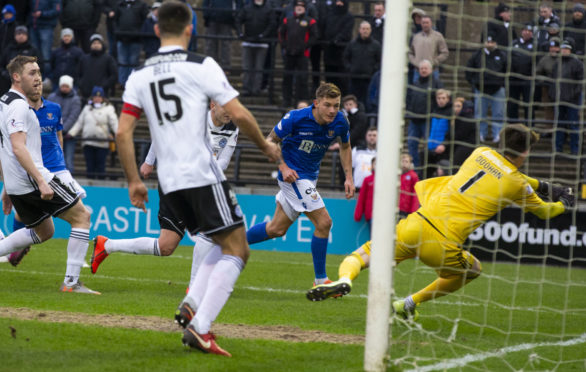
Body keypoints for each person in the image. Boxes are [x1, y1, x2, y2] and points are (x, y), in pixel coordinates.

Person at [113, 1, 279, 356]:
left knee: (217, 241)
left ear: (156, 30)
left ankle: (191, 301)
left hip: (169, 182)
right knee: (238, 249)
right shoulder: (201, 65)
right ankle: (200, 328)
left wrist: (133, 180)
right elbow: (237, 112)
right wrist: (265, 145)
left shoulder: (139, 75)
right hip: (201, 172)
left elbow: (123, 132)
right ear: (190, 29)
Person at [306, 124, 575, 318]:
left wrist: (543, 184)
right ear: (525, 153)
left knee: (363, 254)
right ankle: (410, 303)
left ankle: (344, 279)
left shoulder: (480, 153)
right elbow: (543, 211)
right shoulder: (516, 183)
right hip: (444, 243)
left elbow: (506, 171)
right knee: (473, 269)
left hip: (415, 224)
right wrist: (562, 203)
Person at [90, 101, 239, 293]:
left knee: (165, 246)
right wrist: (149, 162)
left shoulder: (233, 126)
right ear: (212, 105)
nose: (230, 111)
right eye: (225, 106)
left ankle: (107, 245)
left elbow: (224, 161)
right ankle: (195, 288)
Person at [0, 55, 97, 294]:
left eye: (39, 73)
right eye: (31, 73)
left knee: (45, 231)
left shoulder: (3, 102)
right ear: (16, 77)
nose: (38, 78)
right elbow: (17, 147)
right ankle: (71, 283)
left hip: (17, 184)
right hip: (33, 180)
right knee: (82, 216)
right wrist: (42, 181)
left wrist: (6, 186)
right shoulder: (19, 105)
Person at [246, 82, 355, 288]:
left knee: (276, 229)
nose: (333, 110)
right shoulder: (295, 118)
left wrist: (348, 177)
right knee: (324, 223)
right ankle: (320, 279)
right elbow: (270, 140)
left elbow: (345, 146)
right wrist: (283, 167)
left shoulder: (340, 121)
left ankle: (231, 245)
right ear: (316, 103)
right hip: (292, 175)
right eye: (328, 105)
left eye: (336, 105)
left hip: (309, 177)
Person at [68, 86, 118, 179]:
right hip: (88, 142)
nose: (97, 98)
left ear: (103, 98)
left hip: (102, 143)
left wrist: (118, 134)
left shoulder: (109, 108)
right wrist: (71, 133)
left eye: (99, 97)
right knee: (89, 167)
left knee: (101, 166)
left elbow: (114, 123)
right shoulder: (87, 108)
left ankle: (101, 187)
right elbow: (80, 122)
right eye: (95, 96)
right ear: (92, 97)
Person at [466, 34, 507, 143]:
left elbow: (508, 70)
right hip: (481, 89)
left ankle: (497, 134)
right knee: (480, 113)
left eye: (492, 42)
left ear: (496, 43)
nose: (489, 44)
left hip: (498, 89)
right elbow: (469, 69)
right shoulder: (477, 55)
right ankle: (480, 134)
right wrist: (473, 82)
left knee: (498, 113)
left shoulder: (502, 55)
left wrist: (502, 83)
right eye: (487, 42)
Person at [405, 59, 443, 171]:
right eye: (421, 68)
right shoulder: (414, 84)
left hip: (428, 120)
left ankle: (429, 168)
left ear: (431, 70)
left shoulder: (437, 83)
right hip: (414, 120)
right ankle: (416, 167)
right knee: (411, 144)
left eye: (426, 68)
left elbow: (440, 100)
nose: (423, 70)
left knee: (429, 146)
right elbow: (409, 99)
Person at [278, 0, 317, 107]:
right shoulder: (287, 20)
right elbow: (281, 34)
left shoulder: (310, 21)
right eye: (297, 6)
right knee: (287, 78)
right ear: (294, 8)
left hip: (303, 54)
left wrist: (305, 46)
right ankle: (287, 100)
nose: (299, 8)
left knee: (303, 79)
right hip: (289, 53)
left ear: (305, 8)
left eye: (302, 6)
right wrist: (285, 46)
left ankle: (302, 101)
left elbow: (314, 36)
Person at [549, 40, 583, 156]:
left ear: (570, 50)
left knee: (573, 125)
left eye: (567, 49)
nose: (564, 51)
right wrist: (553, 95)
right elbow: (553, 81)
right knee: (559, 125)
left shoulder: (577, 63)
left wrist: (573, 95)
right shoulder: (557, 64)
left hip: (572, 100)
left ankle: (575, 149)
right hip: (559, 100)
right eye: (563, 49)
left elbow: (581, 82)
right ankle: (558, 149)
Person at [235, 0, 276, 96]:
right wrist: (240, 33)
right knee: (247, 67)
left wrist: (263, 35)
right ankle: (246, 89)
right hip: (248, 42)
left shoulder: (268, 10)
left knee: (259, 68)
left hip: (262, 44)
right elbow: (238, 20)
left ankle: (256, 90)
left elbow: (272, 24)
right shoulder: (247, 8)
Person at [47, 75, 82, 173]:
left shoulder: (75, 99)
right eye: (63, 86)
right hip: (53, 133)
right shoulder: (52, 97)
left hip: (68, 134)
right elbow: (48, 112)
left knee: (68, 159)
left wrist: (62, 129)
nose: (64, 88)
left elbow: (74, 116)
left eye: (67, 86)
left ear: (70, 87)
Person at [343, 20, 381, 105]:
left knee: (368, 101)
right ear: (359, 30)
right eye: (363, 29)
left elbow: (379, 61)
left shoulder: (376, 45)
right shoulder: (352, 44)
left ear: (370, 30)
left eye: (367, 29)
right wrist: (350, 68)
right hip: (354, 79)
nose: (365, 31)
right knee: (354, 101)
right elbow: (345, 58)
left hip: (369, 79)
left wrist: (373, 70)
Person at [114, 0, 148, 86]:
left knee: (133, 61)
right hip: (121, 38)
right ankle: (122, 83)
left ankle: (131, 82)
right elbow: (115, 21)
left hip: (136, 39)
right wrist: (117, 33)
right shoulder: (120, 5)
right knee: (122, 61)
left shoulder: (142, 5)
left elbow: (145, 21)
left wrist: (139, 34)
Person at [0, 26, 41, 95]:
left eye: (23, 34)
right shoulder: (9, 49)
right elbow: (1, 65)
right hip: (8, 81)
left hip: (27, 82)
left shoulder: (33, 49)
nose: (21, 36)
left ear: (27, 36)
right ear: (15, 36)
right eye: (18, 34)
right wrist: (5, 74)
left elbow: (40, 65)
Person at [408, 15, 449, 83]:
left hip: (433, 71)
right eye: (423, 23)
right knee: (417, 92)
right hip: (418, 72)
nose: (425, 25)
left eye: (427, 23)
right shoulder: (416, 37)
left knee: (432, 92)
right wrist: (415, 62)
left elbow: (445, 53)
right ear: (421, 24)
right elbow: (410, 53)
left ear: (431, 23)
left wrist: (434, 62)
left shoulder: (438, 36)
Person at [203, 0, 242, 70]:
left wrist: (235, 14)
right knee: (211, 44)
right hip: (213, 18)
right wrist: (206, 14)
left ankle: (225, 67)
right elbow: (205, 2)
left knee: (225, 45)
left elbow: (239, 3)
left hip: (227, 18)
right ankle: (210, 66)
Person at [509, 23, 536, 123]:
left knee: (528, 104)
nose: (527, 32)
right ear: (522, 31)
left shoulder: (535, 45)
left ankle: (529, 127)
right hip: (514, 80)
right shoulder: (514, 43)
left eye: (529, 31)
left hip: (527, 80)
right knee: (512, 104)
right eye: (525, 30)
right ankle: (512, 126)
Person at [77, 33, 117, 100]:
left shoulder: (108, 59)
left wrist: (104, 86)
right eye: (94, 43)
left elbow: (114, 75)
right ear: (90, 45)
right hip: (86, 94)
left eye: (98, 43)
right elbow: (78, 74)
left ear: (102, 45)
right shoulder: (84, 59)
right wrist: (82, 85)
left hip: (102, 95)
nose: (96, 45)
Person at [28, 0, 61, 75]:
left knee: (46, 55)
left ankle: (47, 76)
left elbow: (57, 10)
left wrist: (42, 14)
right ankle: (35, 76)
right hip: (33, 26)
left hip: (46, 27)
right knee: (34, 55)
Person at [425, 88, 452, 179]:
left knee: (442, 174)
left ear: (448, 99)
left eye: (443, 98)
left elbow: (451, 132)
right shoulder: (434, 110)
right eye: (439, 98)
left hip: (443, 148)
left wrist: (444, 144)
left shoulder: (451, 112)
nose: (441, 100)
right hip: (431, 146)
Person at [351, 126, 376, 191]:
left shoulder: (382, 153)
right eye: (369, 135)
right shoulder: (356, 150)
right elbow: (350, 167)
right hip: (357, 188)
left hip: (375, 189)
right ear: (366, 136)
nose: (372, 137)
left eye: (374, 135)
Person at [354, 156, 375, 227]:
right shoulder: (367, 180)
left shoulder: (386, 180)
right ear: (372, 166)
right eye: (375, 164)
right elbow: (361, 198)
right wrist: (358, 214)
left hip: (384, 215)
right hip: (371, 215)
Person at [398, 153, 419, 219]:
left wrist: (413, 211)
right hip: (395, 208)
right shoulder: (397, 174)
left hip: (406, 210)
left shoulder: (413, 176)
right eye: (402, 161)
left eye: (406, 162)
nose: (404, 163)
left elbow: (415, 194)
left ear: (410, 164)